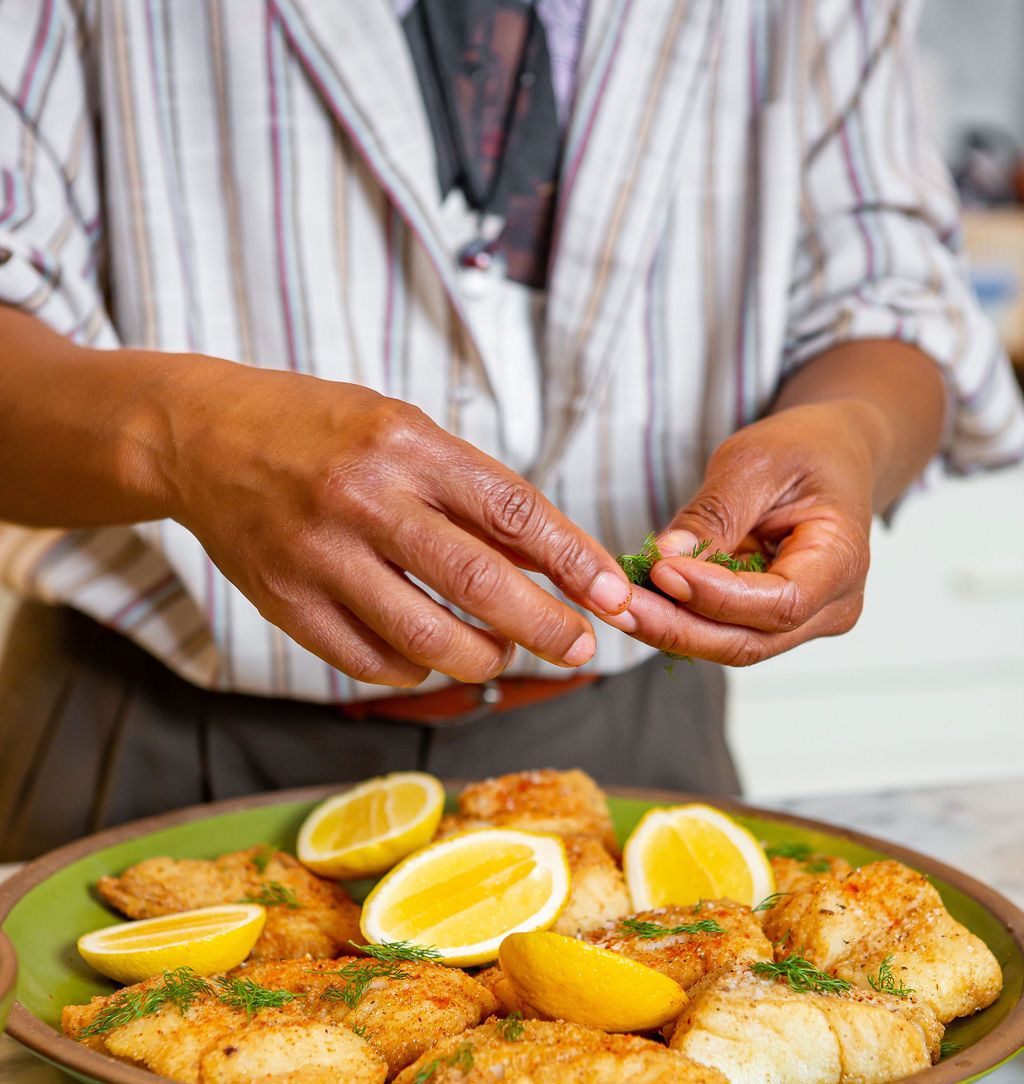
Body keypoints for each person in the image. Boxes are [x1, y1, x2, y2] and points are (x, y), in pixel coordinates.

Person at [0, 0, 1021, 861]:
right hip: (150, 758)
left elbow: (891, 294)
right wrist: (182, 437)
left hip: (635, 759)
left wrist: (852, 430)